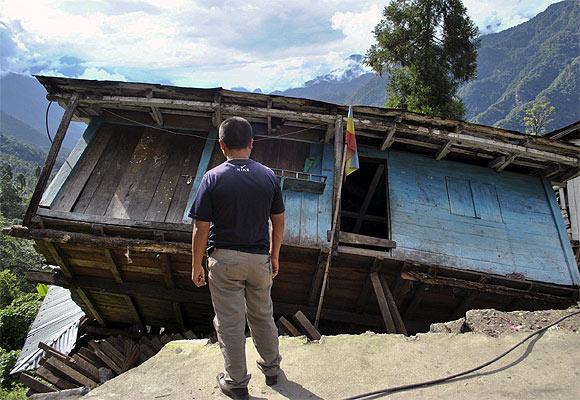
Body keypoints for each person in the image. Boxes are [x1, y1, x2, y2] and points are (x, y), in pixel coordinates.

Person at [190, 116, 285, 400]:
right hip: (259, 261)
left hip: (225, 260)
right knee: (263, 316)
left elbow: (201, 228)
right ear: (251, 145)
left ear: (221, 146)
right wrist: (275, 255)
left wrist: (196, 265)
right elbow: (278, 222)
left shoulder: (212, 177)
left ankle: (237, 382)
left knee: (230, 322)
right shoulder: (268, 175)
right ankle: (272, 371)